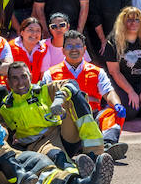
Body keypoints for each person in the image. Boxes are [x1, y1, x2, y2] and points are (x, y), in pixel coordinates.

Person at [0, 61, 116, 184]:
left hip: (63, 133)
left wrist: (59, 99)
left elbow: (71, 84)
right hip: (39, 144)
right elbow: (2, 132)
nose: (20, 82)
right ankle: (84, 178)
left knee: (75, 96)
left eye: (23, 76)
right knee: (57, 156)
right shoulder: (5, 107)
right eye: (14, 78)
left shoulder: (44, 89)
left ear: (30, 76)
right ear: (7, 81)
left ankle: (94, 155)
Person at [42, 30, 128, 158]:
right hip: (66, 120)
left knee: (112, 112)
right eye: (70, 46)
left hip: (92, 118)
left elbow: (109, 92)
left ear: (84, 49)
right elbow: (45, 101)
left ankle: (107, 145)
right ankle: (81, 149)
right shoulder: (51, 74)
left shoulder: (97, 71)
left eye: (78, 46)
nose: (74, 49)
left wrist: (117, 104)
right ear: (63, 50)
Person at [101, 7, 141, 120]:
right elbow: (114, 72)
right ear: (122, 22)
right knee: (129, 113)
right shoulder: (112, 42)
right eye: (129, 20)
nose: (133, 23)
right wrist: (131, 92)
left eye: (137, 20)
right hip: (122, 83)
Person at [9, 17, 49, 84]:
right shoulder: (10, 47)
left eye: (38, 30)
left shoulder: (44, 49)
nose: (34, 33)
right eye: (30, 30)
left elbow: (43, 75)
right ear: (22, 33)